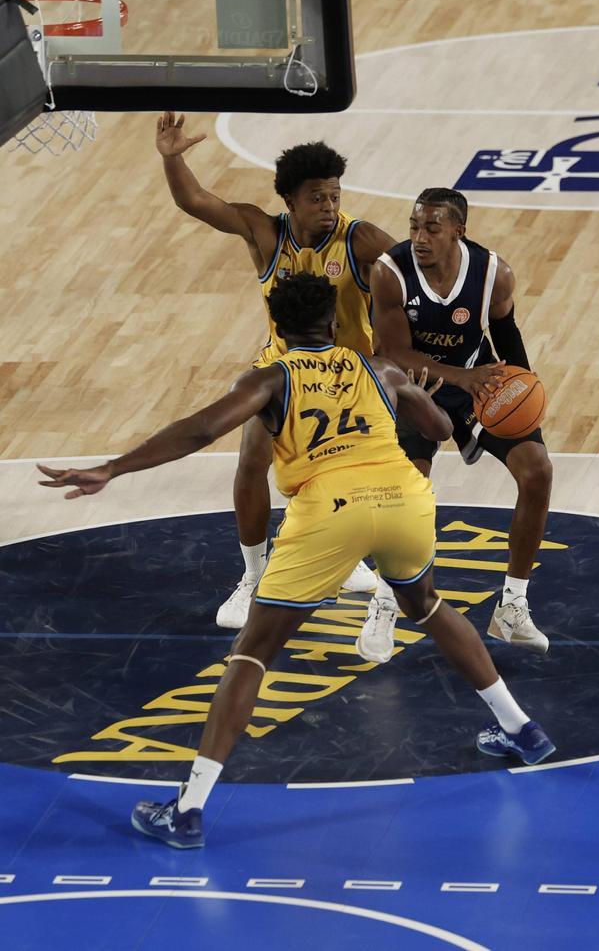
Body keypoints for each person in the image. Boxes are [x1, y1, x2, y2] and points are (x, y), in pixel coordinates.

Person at [38, 272, 556, 850]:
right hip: (404, 498)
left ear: (280, 331)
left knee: (253, 653)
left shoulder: (269, 377)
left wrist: (113, 467)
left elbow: (200, 429)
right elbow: (435, 429)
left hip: (329, 509)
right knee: (426, 604)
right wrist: (422, 401)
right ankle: (523, 729)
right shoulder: (379, 367)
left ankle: (186, 810)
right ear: (335, 324)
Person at [156, 112, 396, 627]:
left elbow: (414, 276)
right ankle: (255, 574)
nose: (329, 206)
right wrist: (173, 160)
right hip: (281, 369)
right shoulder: (264, 232)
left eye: (334, 195)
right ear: (290, 201)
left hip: (347, 378)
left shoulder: (361, 240)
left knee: (341, 473)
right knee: (251, 463)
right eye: (317, 197)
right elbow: (195, 202)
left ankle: (347, 554)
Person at [357, 187, 553, 665]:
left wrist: (524, 391)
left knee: (538, 470)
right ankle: (384, 603)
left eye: (432, 228)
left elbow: (506, 337)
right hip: (413, 383)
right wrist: (461, 378)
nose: (419, 237)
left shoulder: (492, 274)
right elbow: (393, 352)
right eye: (414, 226)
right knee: (407, 489)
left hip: (475, 377)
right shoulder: (390, 272)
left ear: (458, 231)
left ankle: (512, 604)